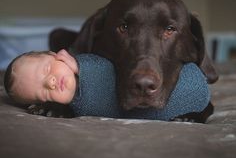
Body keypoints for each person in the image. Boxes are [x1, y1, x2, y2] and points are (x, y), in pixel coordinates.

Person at [4, 49, 211, 121]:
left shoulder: (88, 63)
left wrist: (79, 65)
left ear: (58, 55)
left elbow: (105, 69)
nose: (50, 82)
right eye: (42, 94)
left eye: (47, 70)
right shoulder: (74, 108)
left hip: (181, 82)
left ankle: (198, 110)